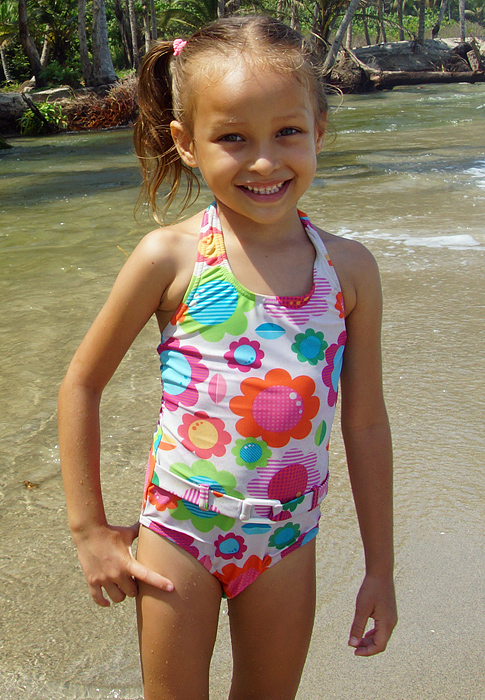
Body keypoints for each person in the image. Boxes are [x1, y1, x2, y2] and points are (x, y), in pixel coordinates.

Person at [58, 14, 397, 700]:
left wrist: (379, 570)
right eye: (233, 139)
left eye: (287, 133)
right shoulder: (170, 257)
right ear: (186, 144)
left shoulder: (349, 271)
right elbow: (81, 384)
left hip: (286, 541)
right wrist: (90, 530)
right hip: (179, 531)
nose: (265, 161)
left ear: (319, 131)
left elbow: (363, 424)